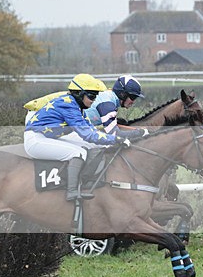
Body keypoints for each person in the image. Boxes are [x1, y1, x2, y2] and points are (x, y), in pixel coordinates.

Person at [24, 73, 137, 201]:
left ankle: (87, 180)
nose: (94, 100)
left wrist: (113, 140)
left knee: (93, 146)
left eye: (95, 96)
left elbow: (92, 131)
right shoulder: (68, 106)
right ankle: (71, 191)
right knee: (78, 153)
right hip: (36, 139)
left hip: (48, 136)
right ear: (79, 93)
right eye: (91, 96)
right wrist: (115, 139)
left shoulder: (78, 108)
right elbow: (88, 135)